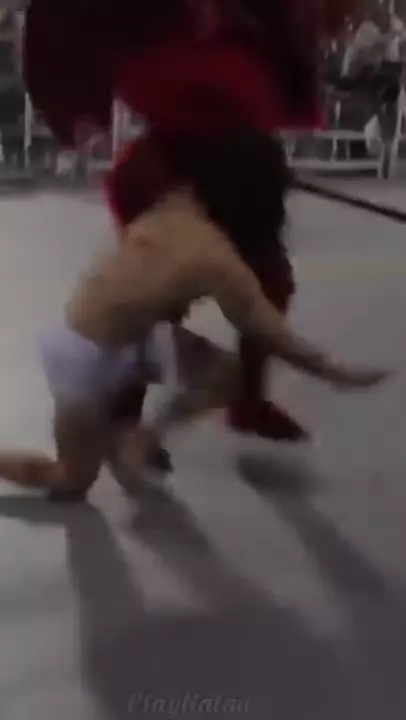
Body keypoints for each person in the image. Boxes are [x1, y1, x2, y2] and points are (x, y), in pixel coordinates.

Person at [22, 0, 358, 443]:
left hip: (241, 152)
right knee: (156, 295)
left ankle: (248, 402)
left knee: (269, 282)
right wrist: (84, 121)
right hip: (172, 159)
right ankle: (126, 416)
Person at [0, 131, 389, 500]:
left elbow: (201, 148)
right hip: (81, 355)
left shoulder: (173, 200)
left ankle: (144, 436)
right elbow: (272, 332)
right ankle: (131, 437)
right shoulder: (216, 258)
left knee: (230, 374)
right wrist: (335, 371)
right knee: (71, 481)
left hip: (138, 336)